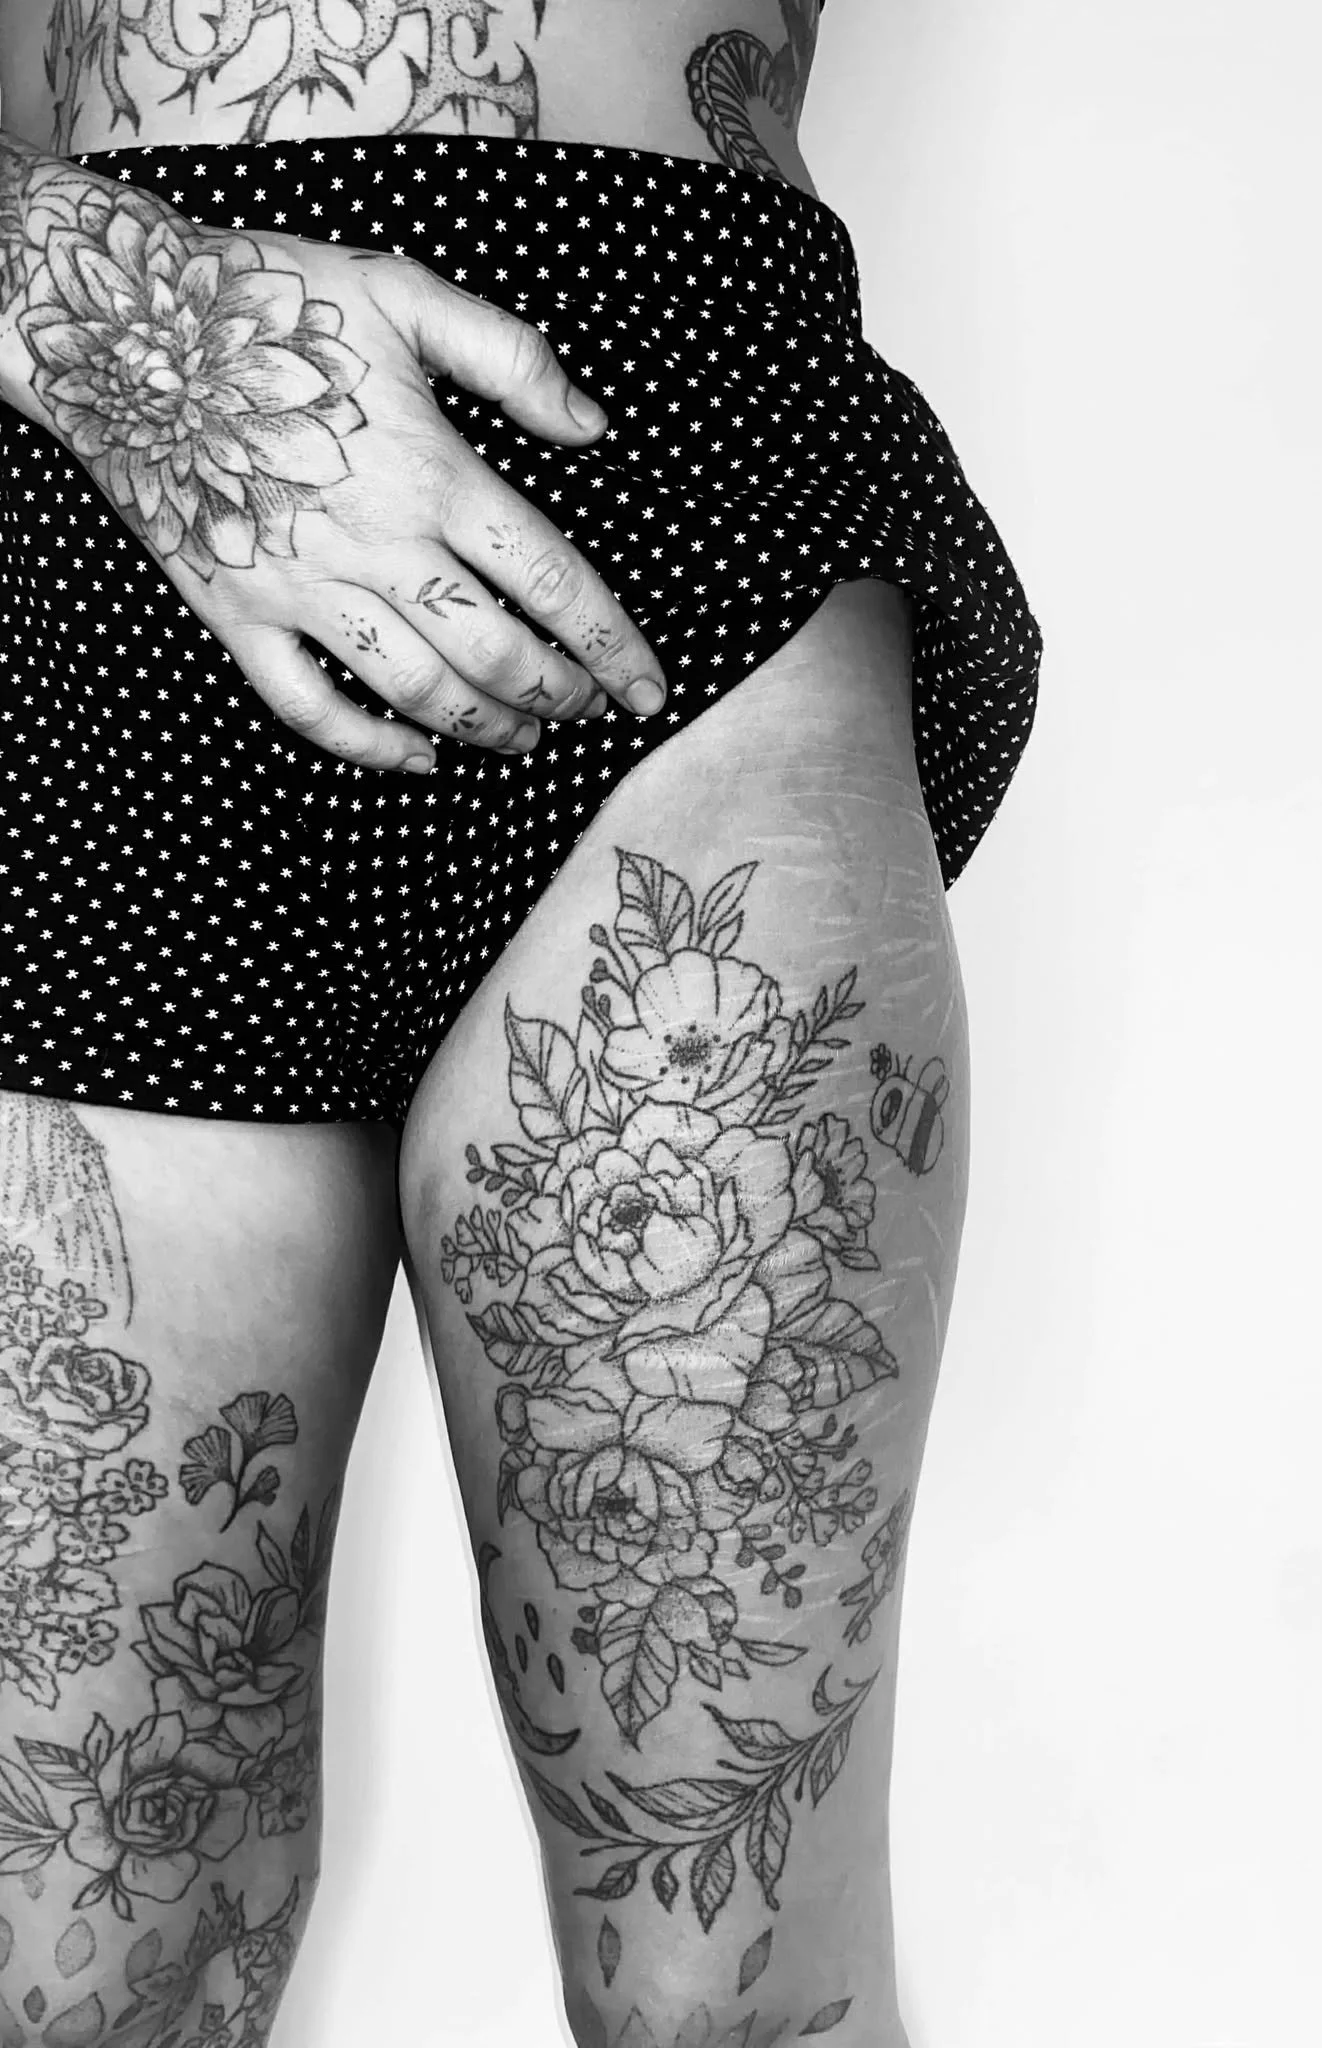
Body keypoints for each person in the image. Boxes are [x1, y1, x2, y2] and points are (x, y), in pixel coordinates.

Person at [0, 2, 1040, 2041]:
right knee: (76, 1973)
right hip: (87, 579)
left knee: (729, 1994)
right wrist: (93, 296)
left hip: (666, 503)